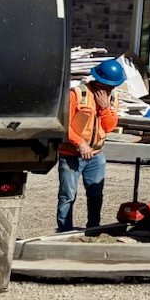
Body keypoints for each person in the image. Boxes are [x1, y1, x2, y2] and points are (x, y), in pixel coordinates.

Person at [58, 59, 122, 233]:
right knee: (68, 195)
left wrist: (104, 108)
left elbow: (109, 127)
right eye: (108, 86)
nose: (111, 89)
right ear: (99, 81)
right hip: (71, 154)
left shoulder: (112, 98)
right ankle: (64, 231)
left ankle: (93, 229)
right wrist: (80, 143)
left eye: (113, 86)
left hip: (96, 155)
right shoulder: (77, 95)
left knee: (95, 194)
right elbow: (64, 125)